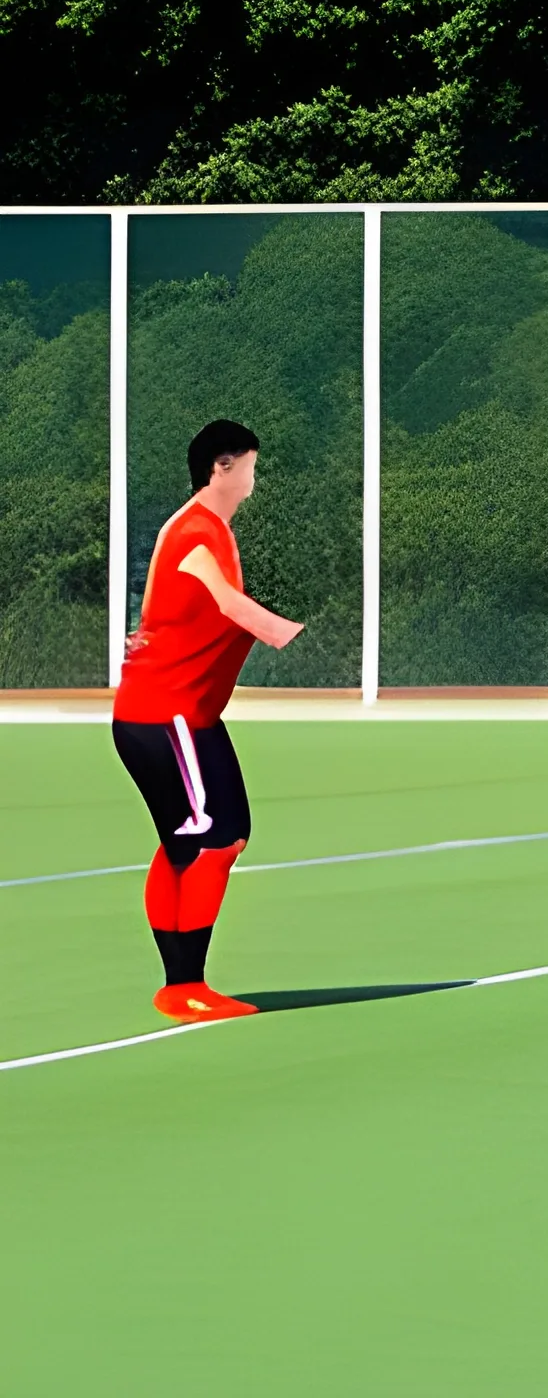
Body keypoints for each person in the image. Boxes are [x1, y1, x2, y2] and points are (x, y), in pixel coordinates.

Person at [112, 420, 304, 1020]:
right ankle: (185, 985)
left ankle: (180, 983)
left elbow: (157, 606)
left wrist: (145, 637)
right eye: (249, 464)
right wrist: (284, 632)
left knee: (197, 842)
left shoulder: (193, 524)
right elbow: (222, 597)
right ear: (224, 467)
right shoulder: (198, 532)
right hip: (168, 718)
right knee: (211, 841)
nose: (254, 477)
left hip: (178, 714)